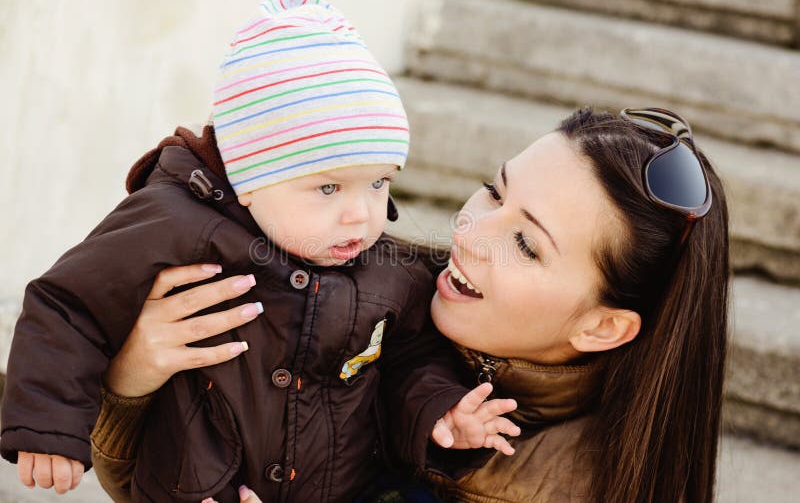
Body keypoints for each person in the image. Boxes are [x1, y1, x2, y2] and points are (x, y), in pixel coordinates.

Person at [1, 0, 520, 502]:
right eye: (328, 187)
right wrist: (49, 425)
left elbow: (411, 357)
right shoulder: (174, 225)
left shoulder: (385, 269)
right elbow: (69, 305)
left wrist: (440, 409)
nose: (361, 215)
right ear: (249, 180)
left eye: (380, 182)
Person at [87, 105, 730, 502]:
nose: (469, 233)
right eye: (492, 191)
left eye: (527, 245)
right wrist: (134, 379)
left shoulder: (578, 484)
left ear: (603, 325)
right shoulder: (373, 284)